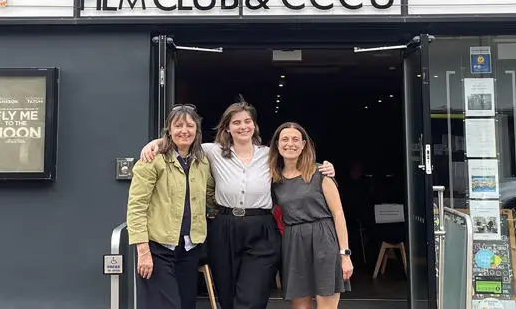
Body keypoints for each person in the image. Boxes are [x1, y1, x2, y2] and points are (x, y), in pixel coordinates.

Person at [141, 100, 335, 309]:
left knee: (252, 298)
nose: (243, 126)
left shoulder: (270, 154)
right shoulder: (211, 152)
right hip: (224, 228)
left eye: (247, 121)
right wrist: (155, 144)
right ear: (227, 127)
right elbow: (183, 141)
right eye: (236, 122)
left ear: (254, 126)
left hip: (261, 228)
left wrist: (324, 167)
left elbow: (295, 159)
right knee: (228, 297)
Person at [126, 104, 214, 309]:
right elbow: (136, 206)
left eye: (190, 125)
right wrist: (143, 251)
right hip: (158, 248)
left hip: (189, 248)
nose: (184, 130)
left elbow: (210, 195)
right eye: (178, 125)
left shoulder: (201, 162)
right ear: (169, 130)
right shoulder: (152, 160)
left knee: (185, 305)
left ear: (197, 130)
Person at [269, 122, 352, 308]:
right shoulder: (274, 179)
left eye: (296, 139)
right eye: (285, 139)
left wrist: (345, 254)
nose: (290, 143)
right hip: (294, 244)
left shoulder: (320, 172)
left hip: (324, 239)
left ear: (304, 144)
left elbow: (338, 213)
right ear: (277, 144)